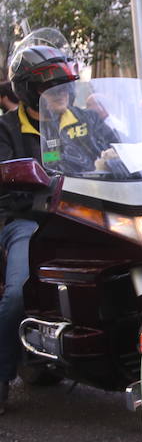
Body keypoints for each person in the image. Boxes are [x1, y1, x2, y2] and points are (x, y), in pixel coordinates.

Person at [0, 39, 81, 414]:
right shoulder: (6, 130)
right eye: (52, 87)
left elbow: (115, 156)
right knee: (18, 293)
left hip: (83, 217)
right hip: (27, 221)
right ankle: (1, 376)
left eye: (65, 86)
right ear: (31, 91)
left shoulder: (84, 122)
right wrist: (37, 196)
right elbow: (8, 186)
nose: (61, 94)